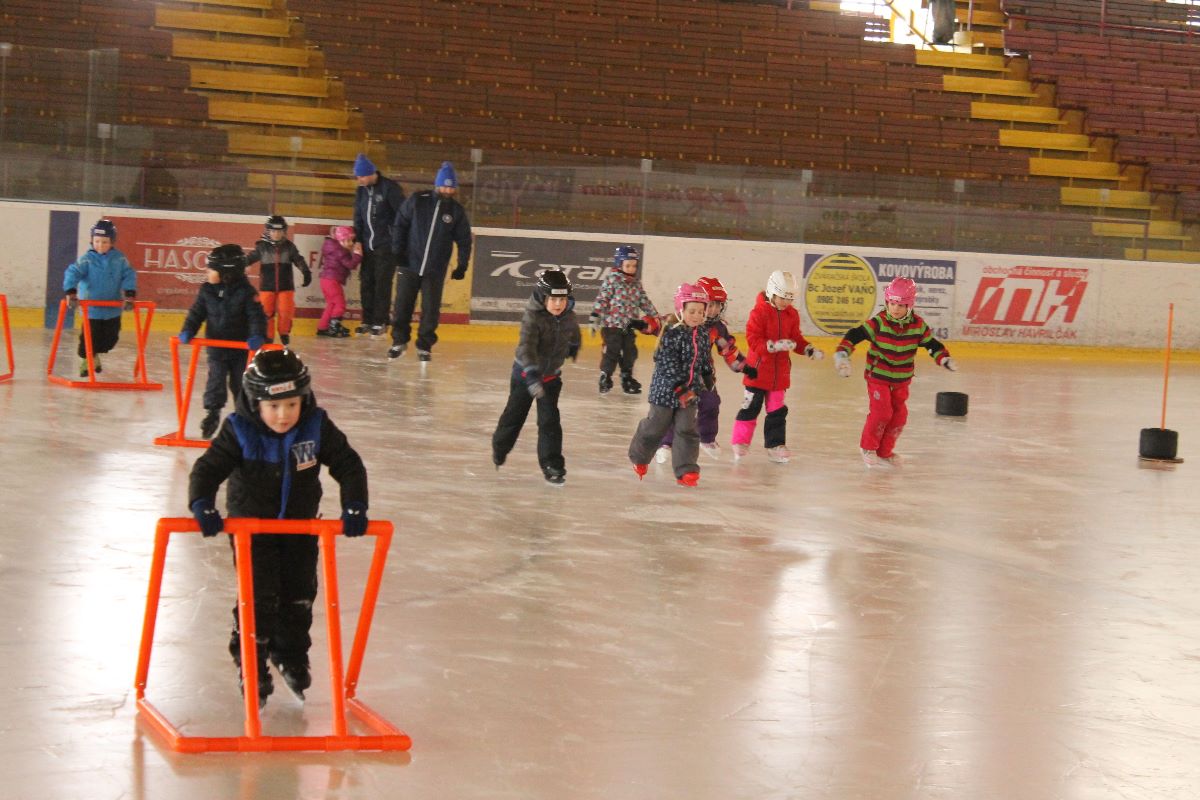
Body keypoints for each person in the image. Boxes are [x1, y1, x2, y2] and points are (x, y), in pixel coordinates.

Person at [188, 348, 369, 708]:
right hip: (251, 532)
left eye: (291, 405)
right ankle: (251, 660)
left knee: (299, 596)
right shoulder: (239, 430)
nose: (283, 415)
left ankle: (291, 655)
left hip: (301, 528)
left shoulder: (316, 425)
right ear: (256, 403)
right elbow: (208, 468)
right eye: (274, 406)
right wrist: (202, 504)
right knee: (259, 597)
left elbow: (348, 463)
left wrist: (355, 504)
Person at [834, 276, 958, 467]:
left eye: (901, 305)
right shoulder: (879, 323)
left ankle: (884, 452)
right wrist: (843, 353)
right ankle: (868, 447)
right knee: (882, 412)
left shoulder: (917, 326)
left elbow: (931, 345)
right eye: (892, 303)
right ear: (887, 302)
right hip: (878, 376)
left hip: (901, 380)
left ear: (910, 305)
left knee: (899, 417)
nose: (895, 309)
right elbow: (855, 334)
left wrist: (943, 358)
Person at [491, 269, 582, 486]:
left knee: (550, 421)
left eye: (562, 299)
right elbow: (527, 347)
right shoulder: (532, 317)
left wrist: (574, 345)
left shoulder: (568, 315)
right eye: (554, 299)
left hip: (550, 378)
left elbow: (573, 330)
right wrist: (531, 374)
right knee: (514, 416)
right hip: (525, 375)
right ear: (543, 298)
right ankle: (500, 448)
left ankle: (552, 465)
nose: (558, 304)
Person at [656, 276, 755, 464]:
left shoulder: (717, 328)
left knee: (711, 403)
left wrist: (744, 366)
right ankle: (666, 443)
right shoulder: (681, 320)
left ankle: (707, 438)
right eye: (711, 305)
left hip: (703, 374)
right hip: (678, 375)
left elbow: (727, 349)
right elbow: (659, 325)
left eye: (718, 305)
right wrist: (644, 324)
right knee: (675, 407)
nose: (714, 310)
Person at [731, 270, 823, 464]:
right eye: (782, 297)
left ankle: (775, 445)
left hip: (779, 374)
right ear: (772, 293)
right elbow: (753, 339)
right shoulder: (759, 312)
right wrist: (772, 346)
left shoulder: (792, 314)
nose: (786, 302)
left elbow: (796, 339)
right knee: (750, 407)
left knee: (777, 411)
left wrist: (808, 349)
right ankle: (740, 441)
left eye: (789, 298)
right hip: (757, 372)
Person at [628, 283, 715, 487]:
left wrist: (707, 373)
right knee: (655, 428)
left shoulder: (703, 333)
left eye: (701, 312)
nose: (697, 316)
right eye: (692, 311)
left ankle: (686, 470)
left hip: (690, 392)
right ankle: (639, 457)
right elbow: (666, 362)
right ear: (681, 309)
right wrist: (678, 386)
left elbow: (703, 357)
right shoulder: (671, 332)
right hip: (665, 392)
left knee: (687, 429)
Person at [178, 245, 268, 439]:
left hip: (241, 350)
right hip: (217, 348)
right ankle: (212, 413)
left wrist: (257, 335)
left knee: (240, 384)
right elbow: (196, 313)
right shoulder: (206, 290)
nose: (207, 272)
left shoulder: (246, 291)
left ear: (227, 273)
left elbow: (256, 316)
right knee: (215, 381)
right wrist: (188, 330)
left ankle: (246, 418)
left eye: (211, 269)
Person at [387, 161, 473, 363]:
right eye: (444, 186)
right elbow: (400, 224)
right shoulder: (418, 200)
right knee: (402, 306)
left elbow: (464, 240)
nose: (448, 190)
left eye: (451, 187)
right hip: (409, 263)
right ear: (437, 184)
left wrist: (462, 265)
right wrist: (397, 252)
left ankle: (424, 346)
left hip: (435, 268)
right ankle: (399, 341)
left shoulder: (456, 211)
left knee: (431, 310)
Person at [62, 219, 137, 377]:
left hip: (112, 309)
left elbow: (129, 274)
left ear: (112, 242)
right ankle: (86, 360)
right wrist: (71, 291)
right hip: (92, 310)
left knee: (110, 339)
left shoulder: (119, 259)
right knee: (89, 338)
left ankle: (94, 355)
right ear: (92, 241)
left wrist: (130, 293)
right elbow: (72, 272)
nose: (100, 245)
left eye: (105, 242)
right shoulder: (87, 259)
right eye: (97, 241)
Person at [589, 245, 660, 395]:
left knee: (630, 351)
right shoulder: (612, 280)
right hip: (611, 325)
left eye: (634, 266)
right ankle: (605, 376)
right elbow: (602, 299)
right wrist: (595, 317)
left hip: (628, 325)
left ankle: (626, 377)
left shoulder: (636, 283)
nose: (631, 269)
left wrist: (655, 315)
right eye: (628, 265)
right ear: (619, 264)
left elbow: (643, 301)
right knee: (612, 351)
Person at [352, 153, 405, 337]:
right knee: (366, 282)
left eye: (361, 176)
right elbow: (358, 217)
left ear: (370, 173)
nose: (359, 180)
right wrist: (358, 240)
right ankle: (367, 320)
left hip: (386, 244)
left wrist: (397, 239)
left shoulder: (389, 188)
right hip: (367, 244)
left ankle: (380, 321)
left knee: (382, 283)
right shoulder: (361, 191)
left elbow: (402, 215)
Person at [245, 215, 312, 346]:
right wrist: (240, 264)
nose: (276, 234)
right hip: (266, 287)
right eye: (273, 231)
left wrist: (306, 272)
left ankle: (284, 333)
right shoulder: (262, 247)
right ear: (268, 231)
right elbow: (250, 258)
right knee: (266, 312)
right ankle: (268, 336)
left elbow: (298, 259)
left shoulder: (289, 247)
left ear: (284, 232)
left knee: (286, 311)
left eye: (280, 231)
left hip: (285, 286)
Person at [316, 226, 361, 338]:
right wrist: (357, 255)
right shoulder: (340, 251)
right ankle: (334, 326)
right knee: (340, 304)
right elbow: (350, 264)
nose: (351, 243)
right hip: (332, 281)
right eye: (348, 241)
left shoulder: (333, 247)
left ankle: (323, 327)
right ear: (340, 240)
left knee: (331, 304)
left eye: (351, 240)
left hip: (326, 280)